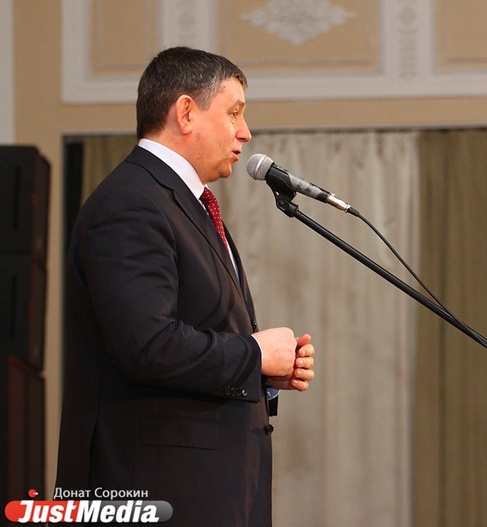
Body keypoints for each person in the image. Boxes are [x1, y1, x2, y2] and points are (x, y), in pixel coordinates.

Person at [55, 46, 315, 527]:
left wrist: (262, 373)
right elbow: (146, 345)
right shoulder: (131, 201)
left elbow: (187, 337)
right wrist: (254, 353)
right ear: (186, 112)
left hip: (205, 489)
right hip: (159, 489)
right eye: (234, 112)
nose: (245, 132)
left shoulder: (182, 203)